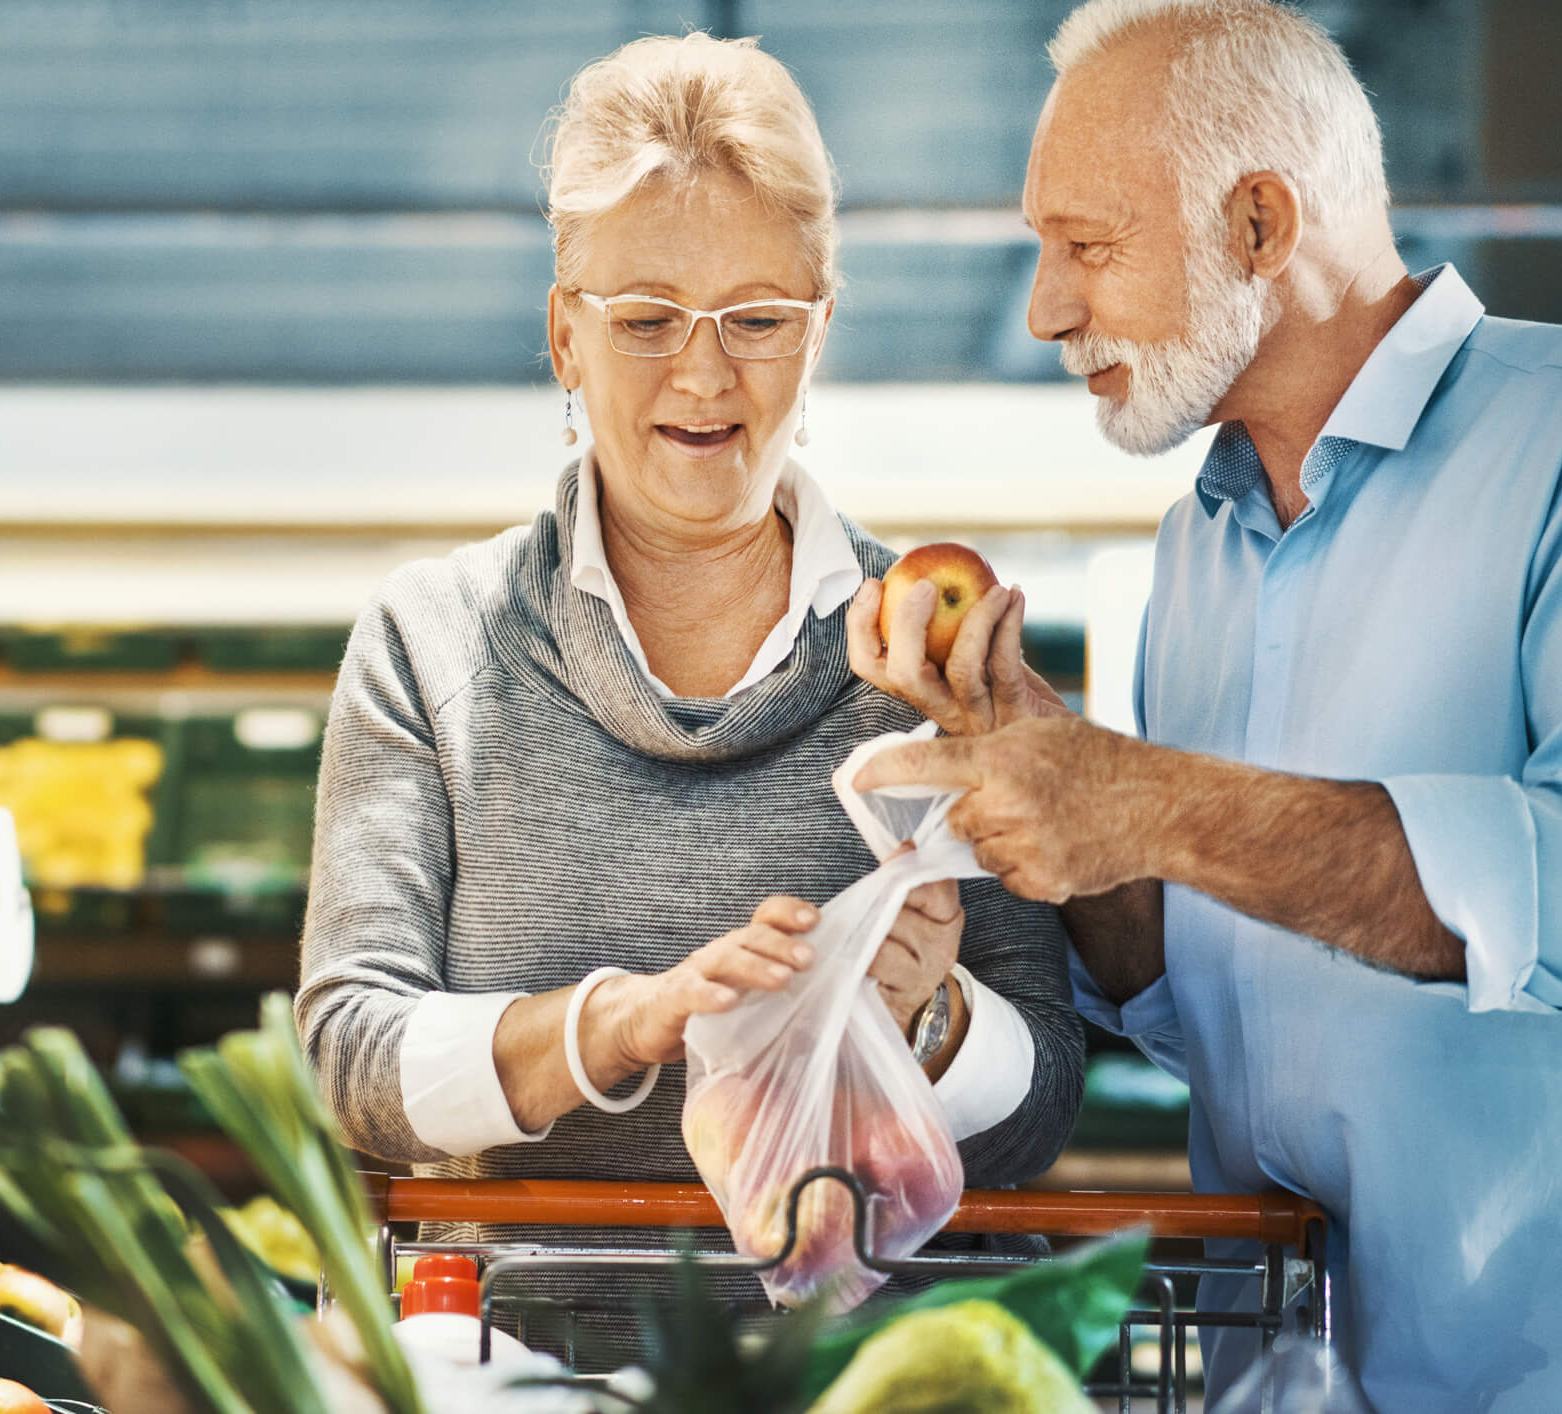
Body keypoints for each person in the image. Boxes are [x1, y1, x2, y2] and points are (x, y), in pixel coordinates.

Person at [847, 1, 1562, 1408]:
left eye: (1085, 246)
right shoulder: (1204, 541)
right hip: (1276, 1377)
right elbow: (1197, 996)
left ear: (1256, 224)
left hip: (1559, 1377)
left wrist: (1147, 797)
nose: (1044, 310)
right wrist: (1031, 748)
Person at [295, 31, 1083, 1354]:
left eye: (757, 320)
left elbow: (1041, 1103)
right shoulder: (429, 644)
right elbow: (350, 1055)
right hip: (499, 1370)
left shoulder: (932, 658)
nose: (705, 377)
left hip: (850, 1375)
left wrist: (928, 1020)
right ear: (563, 334)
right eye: (647, 320)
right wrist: (620, 1021)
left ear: (820, 327)